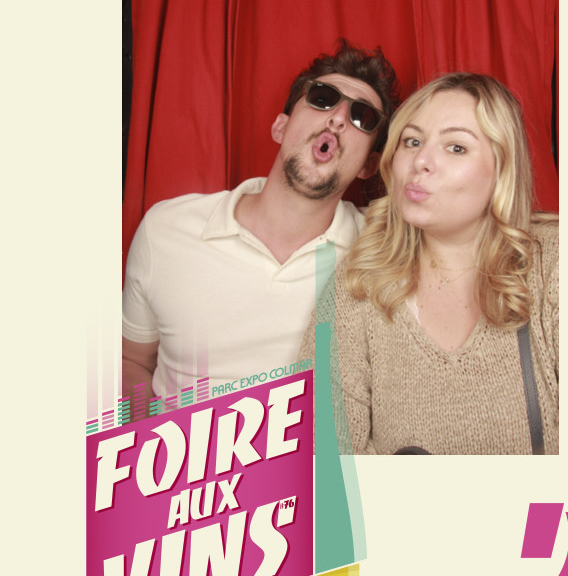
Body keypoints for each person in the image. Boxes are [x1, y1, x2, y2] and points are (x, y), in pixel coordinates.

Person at [121, 41, 397, 411]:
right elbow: (133, 361)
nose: (337, 118)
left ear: (369, 165)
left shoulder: (385, 251)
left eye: (362, 117)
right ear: (281, 127)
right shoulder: (166, 229)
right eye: (322, 98)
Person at [302, 73, 559, 454]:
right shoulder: (356, 284)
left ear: (502, 170)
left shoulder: (554, 265)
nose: (420, 161)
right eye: (412, 141)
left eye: (456, 147)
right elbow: (322, 460)